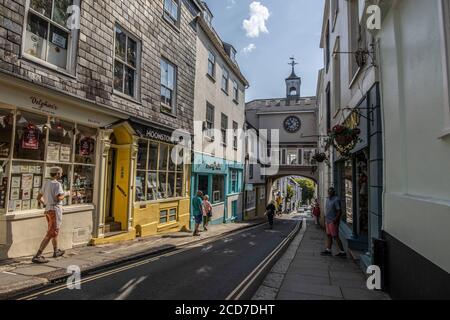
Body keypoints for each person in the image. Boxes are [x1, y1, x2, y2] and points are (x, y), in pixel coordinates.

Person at [32, 167, 66, 264]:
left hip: (48, 210)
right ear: (57, 174)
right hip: (54, 211)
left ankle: (56, 251)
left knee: (54, 231)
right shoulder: (57, 184)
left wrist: (46, 204)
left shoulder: (46, 183)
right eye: (60, 173)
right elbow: (58, 198)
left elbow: (38, 197)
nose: (61, 175)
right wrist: (66, 194)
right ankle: (37, 255)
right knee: (51, 233)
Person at [321, 187, 346, 258]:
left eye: (331, 192)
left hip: (333, 221)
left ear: (334, 192)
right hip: (327, 221)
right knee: (328, 235)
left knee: (335, 236)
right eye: (329, 192)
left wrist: (336, 219)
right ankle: (328, 250)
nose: (329, 193)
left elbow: (339, 211)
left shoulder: (336, 199)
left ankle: (342, 252)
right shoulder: (327, 199)